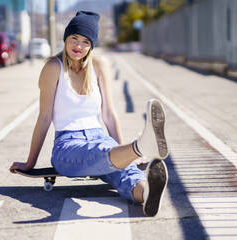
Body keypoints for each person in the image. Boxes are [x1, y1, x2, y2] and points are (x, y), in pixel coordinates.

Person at [10, 11, 169, 217]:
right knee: (100, 150)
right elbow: (43, 118)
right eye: (74, 38)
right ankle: (140, 146)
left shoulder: (98, 66)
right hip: (67, 146)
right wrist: (30, 162)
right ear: (66, 38)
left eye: (86, 41)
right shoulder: (53, 67)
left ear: (92, 46)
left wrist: (125, 154)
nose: (79, 46)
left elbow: (109, 115)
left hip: (100, 137)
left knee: (126, 174)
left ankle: (146, 194)